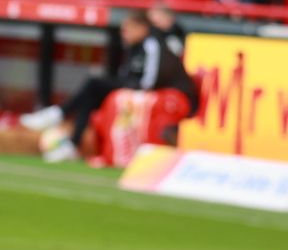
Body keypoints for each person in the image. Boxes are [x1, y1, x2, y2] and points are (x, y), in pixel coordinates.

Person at [20, 11, 198, 163]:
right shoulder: (135, 47)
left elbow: (150, 80)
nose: (124, 33)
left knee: (94, 84)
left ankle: (58, 114)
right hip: (145, 88)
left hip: (172, 94)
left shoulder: (153, 43)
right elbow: (127, 74)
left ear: (142, 28)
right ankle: (72, 143)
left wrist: (128, 89)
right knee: (91, 95)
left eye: (128, 29)